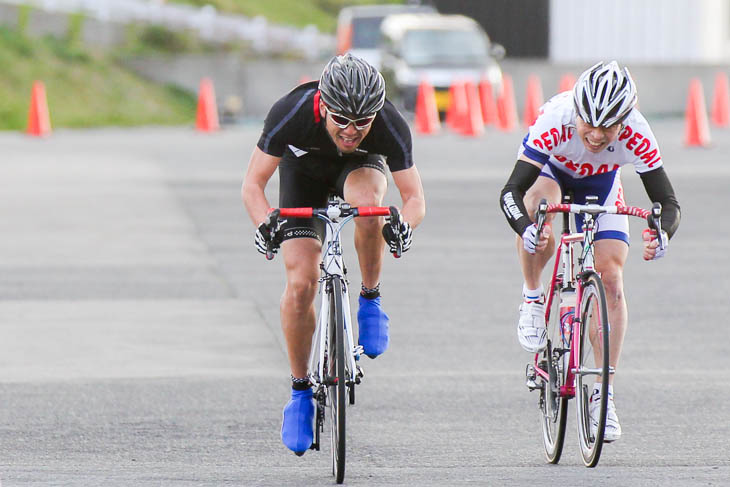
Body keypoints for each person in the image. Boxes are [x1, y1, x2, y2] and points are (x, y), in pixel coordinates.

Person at [242, 54, 426, 455]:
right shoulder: (291, 112)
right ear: (323, 104)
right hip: (302, 176)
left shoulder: (387, 124)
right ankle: (300, 392)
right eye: (341, 119)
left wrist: (403, 225)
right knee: (300, 283)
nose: (351, 130)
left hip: (358, 172)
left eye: (362, 122)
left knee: (369, 207)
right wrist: (263, 223)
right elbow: (253, 186)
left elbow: (414, 199)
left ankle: (370, 299)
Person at [499, 61, 680, 442]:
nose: (596, 136)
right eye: (589, 124)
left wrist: (661, 233)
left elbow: (667, 202)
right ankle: (533, 297)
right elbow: (511, 192)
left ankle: (604, 394)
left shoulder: (638, 133)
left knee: (611, 279)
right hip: (550, 175)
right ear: (576, 112)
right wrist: (526, 229)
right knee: (539, 210)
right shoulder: (555, 119)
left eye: (608, 127)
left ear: (624, 123)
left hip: (601, 184)